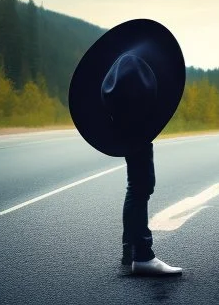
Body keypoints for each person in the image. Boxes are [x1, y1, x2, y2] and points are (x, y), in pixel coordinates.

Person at [68, 18, 186, 276]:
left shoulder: (123, 79)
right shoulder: (133, 92)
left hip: (123, 121)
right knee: (141, 186)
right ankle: (142, 255)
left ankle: (130, 251)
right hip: (133, 121)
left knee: (138, 185)